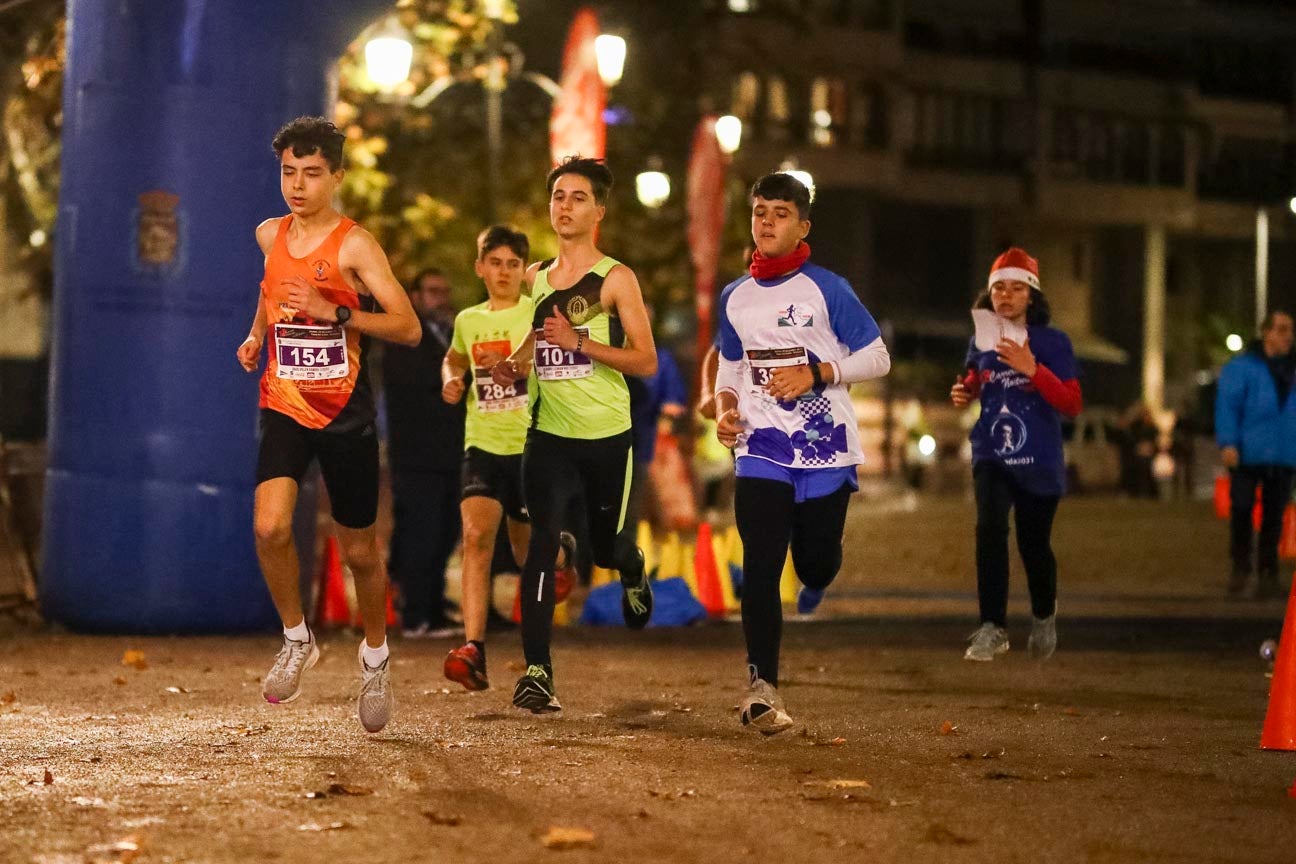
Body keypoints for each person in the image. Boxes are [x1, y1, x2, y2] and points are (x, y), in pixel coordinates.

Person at [235, 116, 421, 733]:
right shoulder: (269, 234)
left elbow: (409, 326)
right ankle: (297, 638)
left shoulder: (355, 246)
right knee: (269, 527)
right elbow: (271, 293)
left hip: (345, 411)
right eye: (289, 172)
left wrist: (341, 313)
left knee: (361, 553)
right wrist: (257, 335)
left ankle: (375, 658)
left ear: (336, 177)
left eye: (312, 173)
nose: (297, 184)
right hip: (285, 400)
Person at [714, 172, 891, 734]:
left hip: (824, 446)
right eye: (760, 211)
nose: (766, 222)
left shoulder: (827, 289)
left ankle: (817, 576)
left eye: (780, 214)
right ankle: (761, 687)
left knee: (815, 562)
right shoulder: (734, 296)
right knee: (762, 566)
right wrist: (724, 406)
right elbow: (731, 364)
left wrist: (816, 373)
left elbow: (878, 358)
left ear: (803, 226)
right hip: (760, 446)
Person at [492, 156, 658, 714]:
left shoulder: (617, 279)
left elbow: (646, 362)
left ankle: (631, 567)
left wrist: (579, 343)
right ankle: (538, 672)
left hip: (607, 437)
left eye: (577, 197)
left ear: (599, 211)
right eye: (558, 196)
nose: (565, 206)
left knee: (604, 548)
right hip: (549, 436)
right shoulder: (535, 277)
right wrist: (514, 366)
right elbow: (538, 343)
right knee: (542, 542)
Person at [439, 225, 576, 690]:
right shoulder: (467, 320)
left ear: (524, 271)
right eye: (494, 263)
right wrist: (450, 379)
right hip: (481, 444)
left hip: (529, 445)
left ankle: (563, 555)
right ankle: (472, 648)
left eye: (512, 264)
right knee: (476, 537)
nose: (503, 272)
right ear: (479, 268)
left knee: (526, 551)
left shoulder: (536, 314)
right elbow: (455, 359)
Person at [950, 247, 1082, 663]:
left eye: (1016, 288)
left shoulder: (1053, 342)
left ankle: (1044, 614)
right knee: (989, 528)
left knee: (1033, 544)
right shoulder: (981, 340)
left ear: (1031, 296)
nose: (1006, 296)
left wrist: (1032, 368)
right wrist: (966, 390)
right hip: (992, 450)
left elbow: (1072, 404)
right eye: (998, 289)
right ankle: (993, 626)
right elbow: (976, 379)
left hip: (1039, 459)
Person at [381, 267, 466, 638]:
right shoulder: (404, 337)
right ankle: (416, 613)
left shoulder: (448, 335)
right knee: (421, 533)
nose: (440, 298)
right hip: (416, 455)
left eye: (443, 290)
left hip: (449, 454)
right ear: (414, 296)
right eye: (432, 291)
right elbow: (412, 388)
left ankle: (433, 607)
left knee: (445, 531)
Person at [1215, 310, 1296, 599]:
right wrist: (1228, 442)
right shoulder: (1242, 368)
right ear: (1266, 332)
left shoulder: (1291, 369)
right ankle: (1240, 567)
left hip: (1284, 454)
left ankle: (1267, 571)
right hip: (1248, 453)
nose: (1288, 336)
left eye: (1290, 330)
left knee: (1275, 515)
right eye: (1282, 329)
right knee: (1242, 509)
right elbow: (1228, 406)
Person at [626, 345, 689, 532]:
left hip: (640, 443)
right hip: (613, 444)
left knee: (631, 504)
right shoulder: (599, 350)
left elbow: (673, 403)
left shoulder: (660, 359)